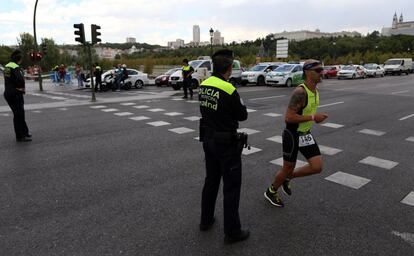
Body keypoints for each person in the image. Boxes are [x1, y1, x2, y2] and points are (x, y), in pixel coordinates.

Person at [199, 49, 249, 243]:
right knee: (231, 187)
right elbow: (242, 115)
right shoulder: (228, 89)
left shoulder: (204, 85)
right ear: (229, 68)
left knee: (211, 181)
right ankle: (232, 231)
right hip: (226, 143)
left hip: (208, 139)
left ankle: (206, 220)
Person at [264, 59, 328, 207]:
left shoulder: (315, 91)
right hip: (292, 135)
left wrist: (314, 119)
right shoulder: (300, 92)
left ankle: (288, 178)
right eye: (317, 70)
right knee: (287, 167)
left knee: (317, 167)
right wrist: (313, 117)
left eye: (321, 69)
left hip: (305, 134)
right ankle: (271, 191)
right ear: (307, 72)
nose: (321, 73)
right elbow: (289, 117)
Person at [3, 50, 31, 142]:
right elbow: (20, 79)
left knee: (18, 114)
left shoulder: (7, 66)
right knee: (19, 114)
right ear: (19, 60)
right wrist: (21, 88)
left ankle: (25, 132)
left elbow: (9, 79)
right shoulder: (15, 67)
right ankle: (20, 136)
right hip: (15, 93)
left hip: (8, 93)